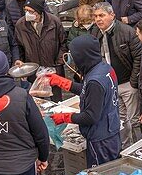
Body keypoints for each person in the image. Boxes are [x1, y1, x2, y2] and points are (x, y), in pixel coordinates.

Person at [47, 36, 122, 167]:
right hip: (111, 129)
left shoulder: (94, 81)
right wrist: (62, 82)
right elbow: (89, 92)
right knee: (112, 168)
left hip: (101, 138)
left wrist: (65, 117)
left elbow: (90, 116)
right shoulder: (104, 68)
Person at [90, 2, 142, 145]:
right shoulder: (95, 32)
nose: (98, 19)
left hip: (127, 83)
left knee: (134, 120)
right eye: (95, 16)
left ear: (112, 15)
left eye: (102, 15)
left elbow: (139, 56)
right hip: (110, 84)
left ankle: (139, 147)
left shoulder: (127, 31)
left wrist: (133, 81)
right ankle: (125, 146)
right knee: (120, 118)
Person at [14, 0, 65, 69]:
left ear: (39, 11)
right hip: (32, 69)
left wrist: (59, 62)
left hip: (53, 68)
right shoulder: (21, 25)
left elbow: (63, 43)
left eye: (31, 11)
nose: (27, 14)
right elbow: (18, 46)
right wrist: (20, 61)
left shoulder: (54, 22)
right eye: (26, 10)